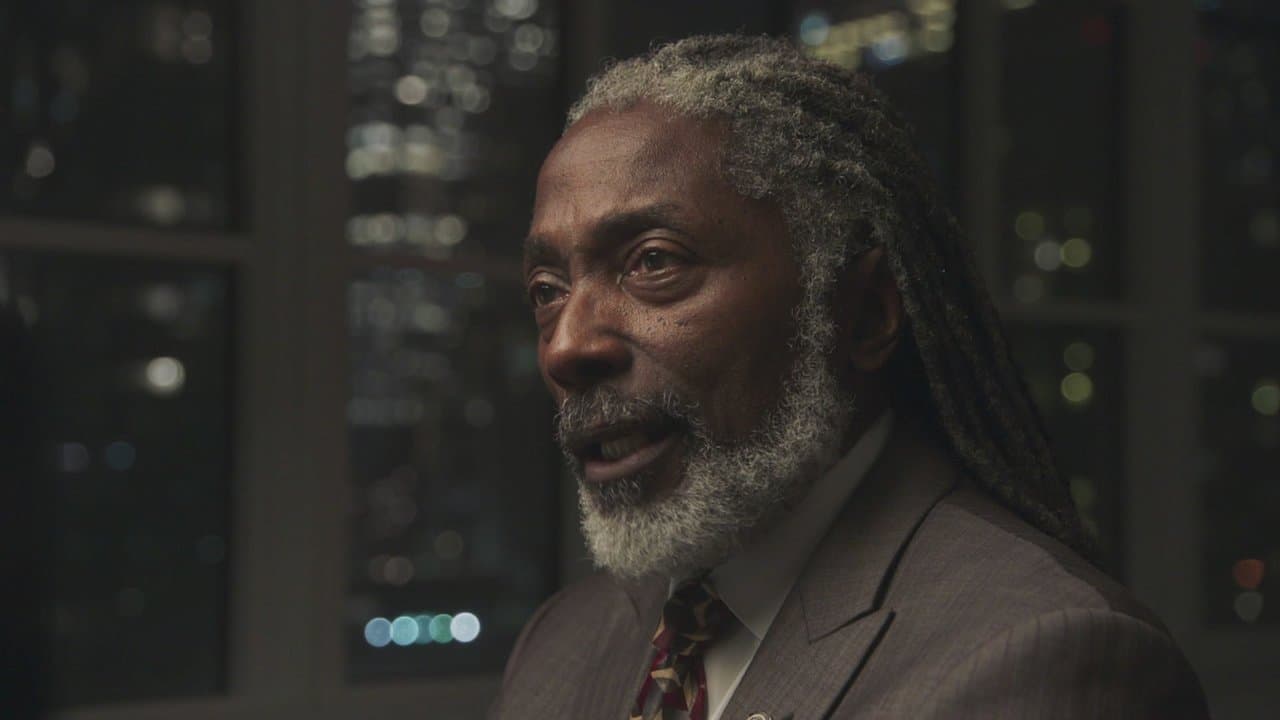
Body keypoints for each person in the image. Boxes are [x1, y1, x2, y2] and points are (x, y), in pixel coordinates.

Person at [492, 35, 1210, 720]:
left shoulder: (1043, 657)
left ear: (863, 314)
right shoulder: (560, 643)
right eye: (547, 290)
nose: (566, 347)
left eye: (653, 261)